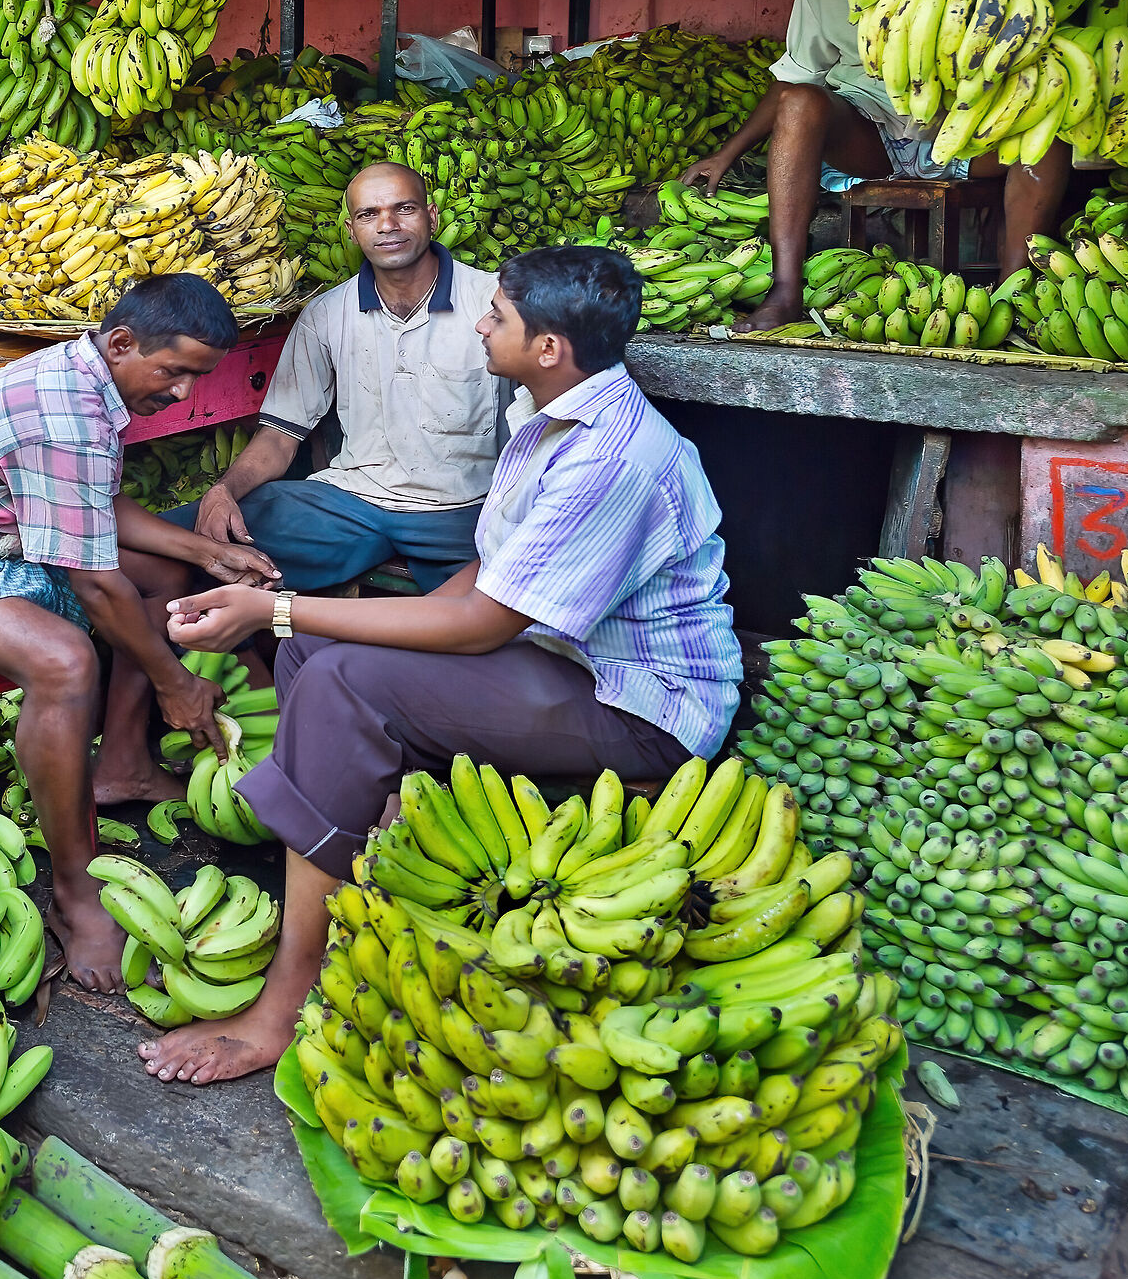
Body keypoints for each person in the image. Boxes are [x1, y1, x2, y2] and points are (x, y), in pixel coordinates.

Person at [133, 244, 743, 1086]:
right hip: (559, 658)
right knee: (319, 650)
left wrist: (270, 608)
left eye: (498, 316)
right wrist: (306, 622)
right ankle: (355, 871)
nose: (482, 324)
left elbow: (484, 623)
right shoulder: (549, 414)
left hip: (638, 704)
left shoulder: (614, 457)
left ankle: (284, 1003)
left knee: (346, 676)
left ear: (548, 348)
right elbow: (486, 572)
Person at [0, 274, 281, 993]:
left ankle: (122, 767)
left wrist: (204, 552)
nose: (182, 394)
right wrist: (177, 685)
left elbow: (94, 503)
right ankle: (75, 894)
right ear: (121, 343)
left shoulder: (90, 382)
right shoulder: (63, 409)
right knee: (65, 661)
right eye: (174, 372)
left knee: (163, 578)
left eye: (197, 378)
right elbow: (94, 583)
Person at [681, 0, 1072, 331]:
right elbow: (793, 80)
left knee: (1049, 136)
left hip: (964, 134)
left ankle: (1014, 300)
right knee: (801, 103)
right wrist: (728, 152)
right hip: (872, 136)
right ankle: (785, 290)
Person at [164, 162, 507, 595]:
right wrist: (223, 490)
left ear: (432, 216)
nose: (388, 225)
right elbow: (279, 437)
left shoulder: (492, 304)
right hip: (350, 504)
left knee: (505, 610)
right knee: (176, 546)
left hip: (462, 512)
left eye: (404, 209)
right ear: (351, 229)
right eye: (369, 215)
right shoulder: (326, 314)